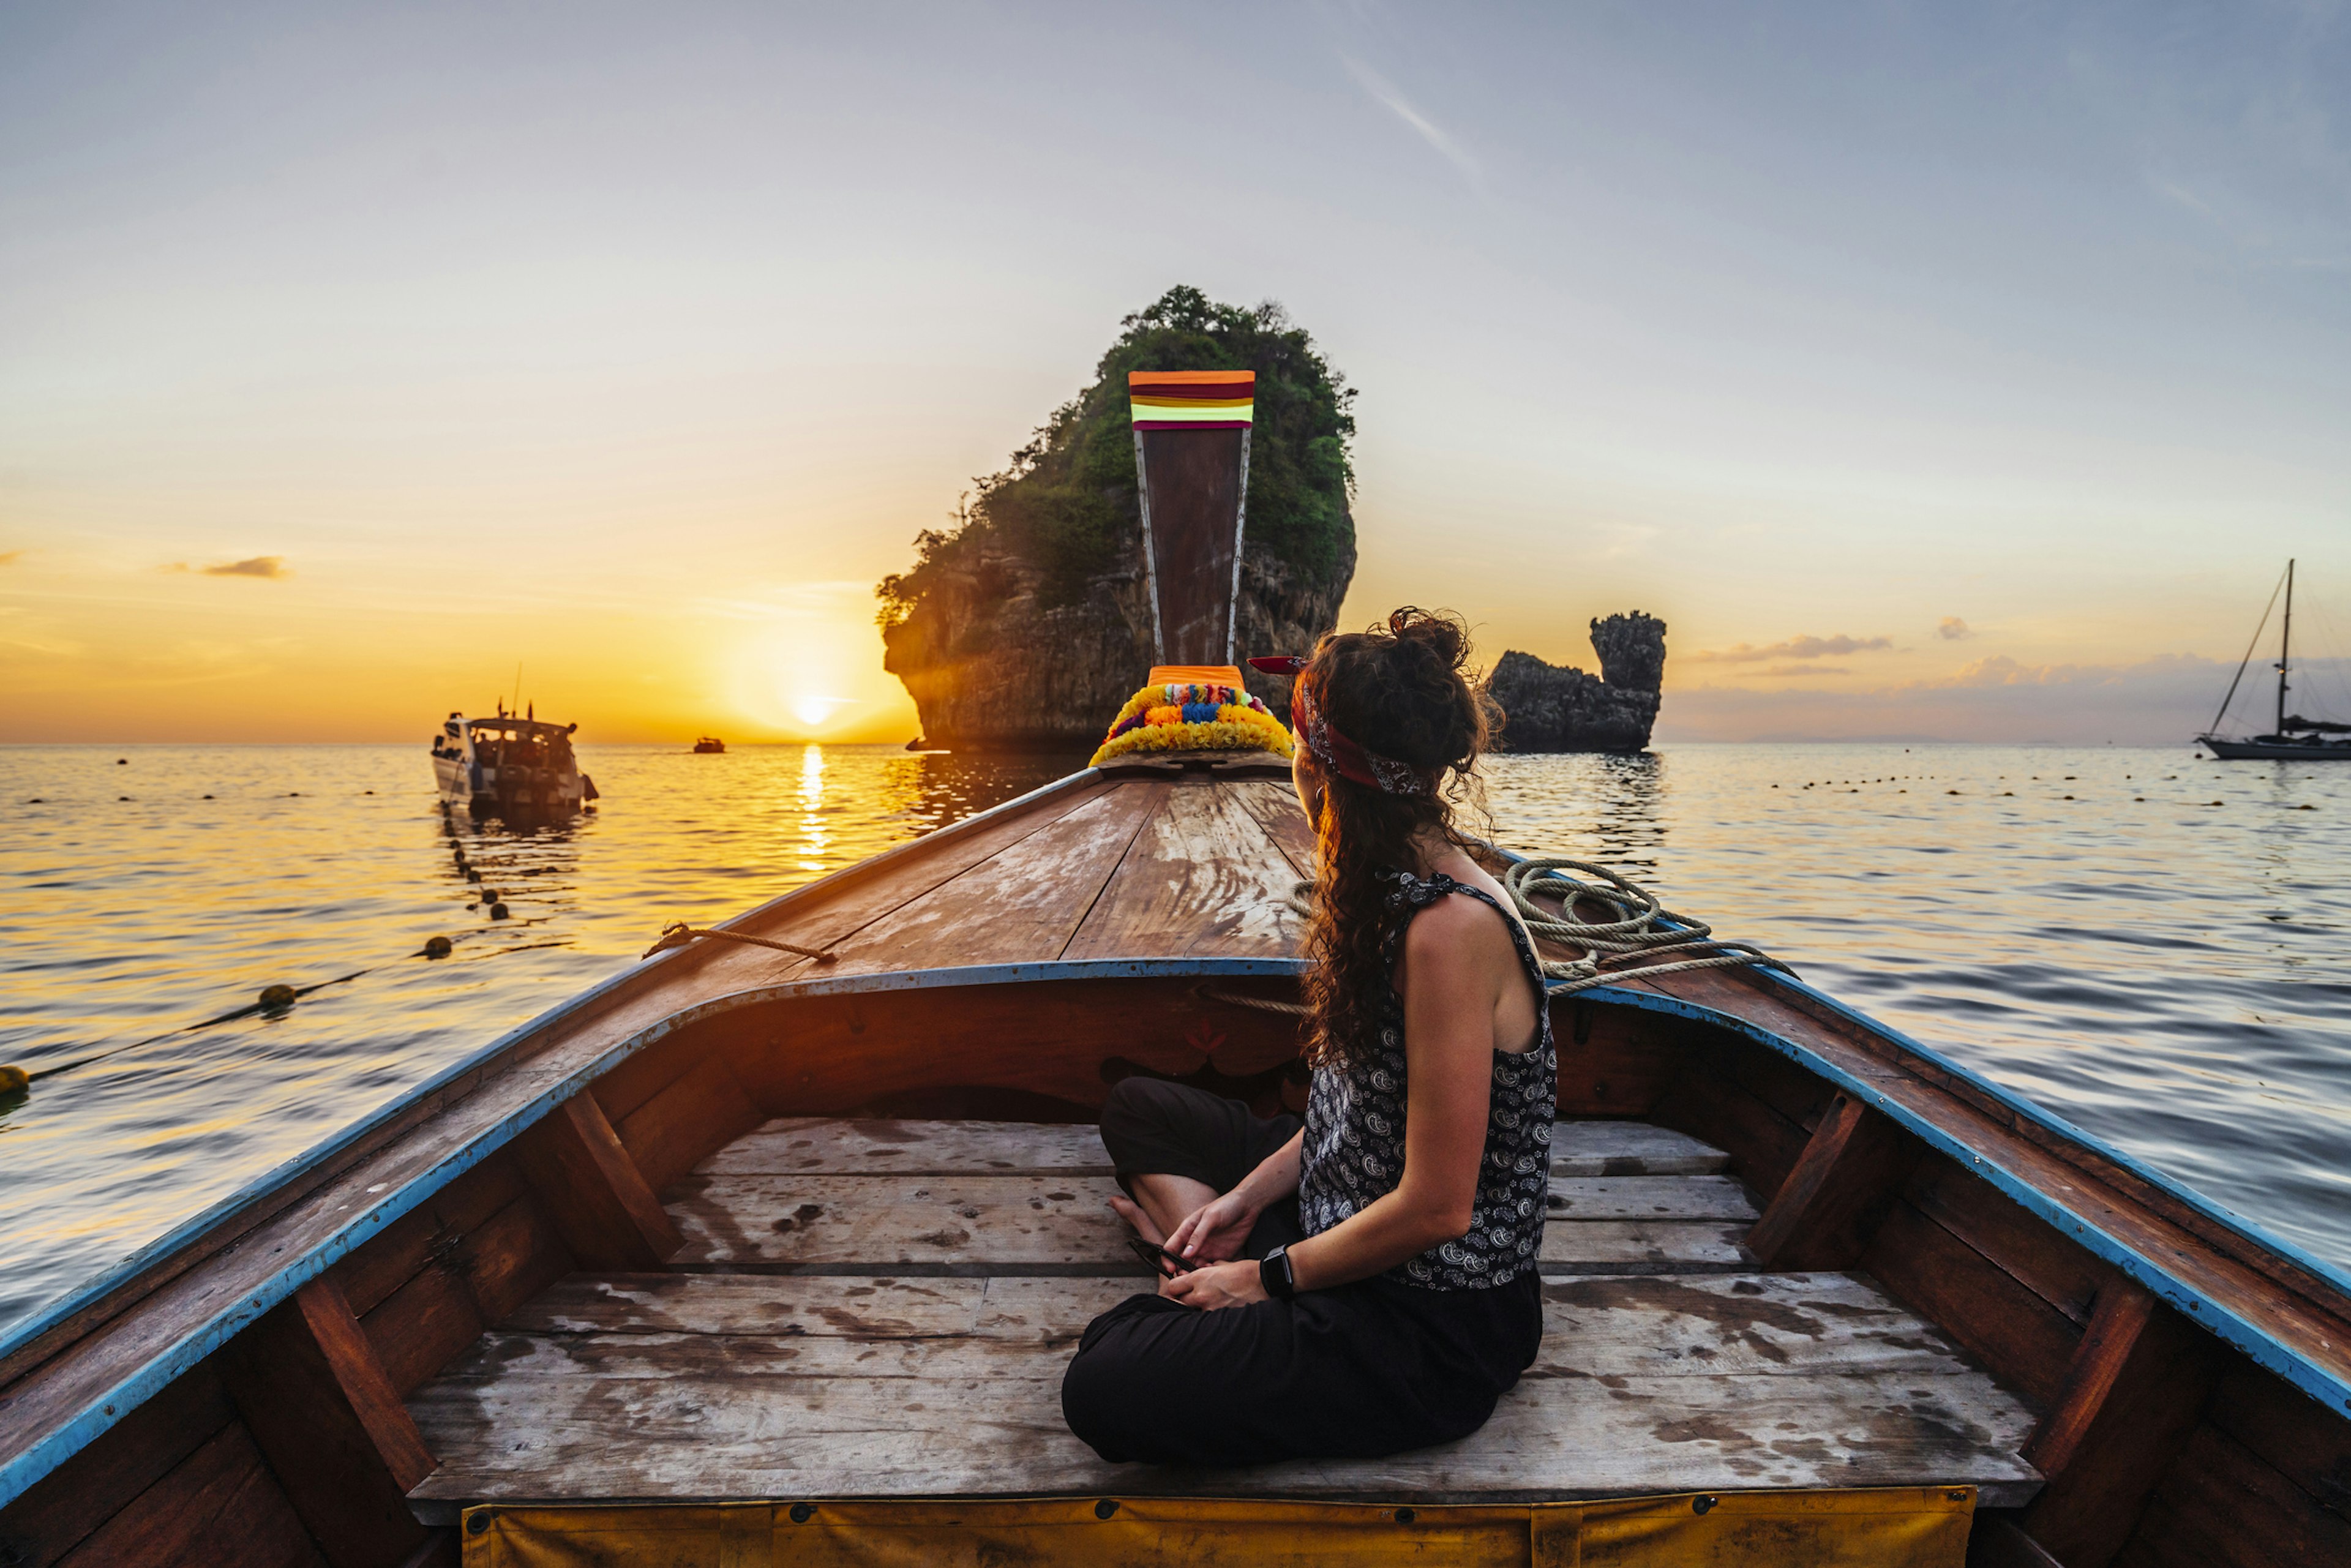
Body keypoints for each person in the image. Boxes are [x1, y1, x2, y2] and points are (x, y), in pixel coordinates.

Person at [1060, 607, 1557, 1466]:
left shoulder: (1449, 931)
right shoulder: (1391, 879)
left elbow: (1440, 1206)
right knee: (1139, 1107)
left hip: (1425, 1317)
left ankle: (1216, 1284)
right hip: (1345, 1201)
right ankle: (1202, 1253)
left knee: (1105, 1377)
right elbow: (1349, 1111)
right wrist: (1242, 1202)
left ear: (1322, 769)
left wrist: (1263, 1275)